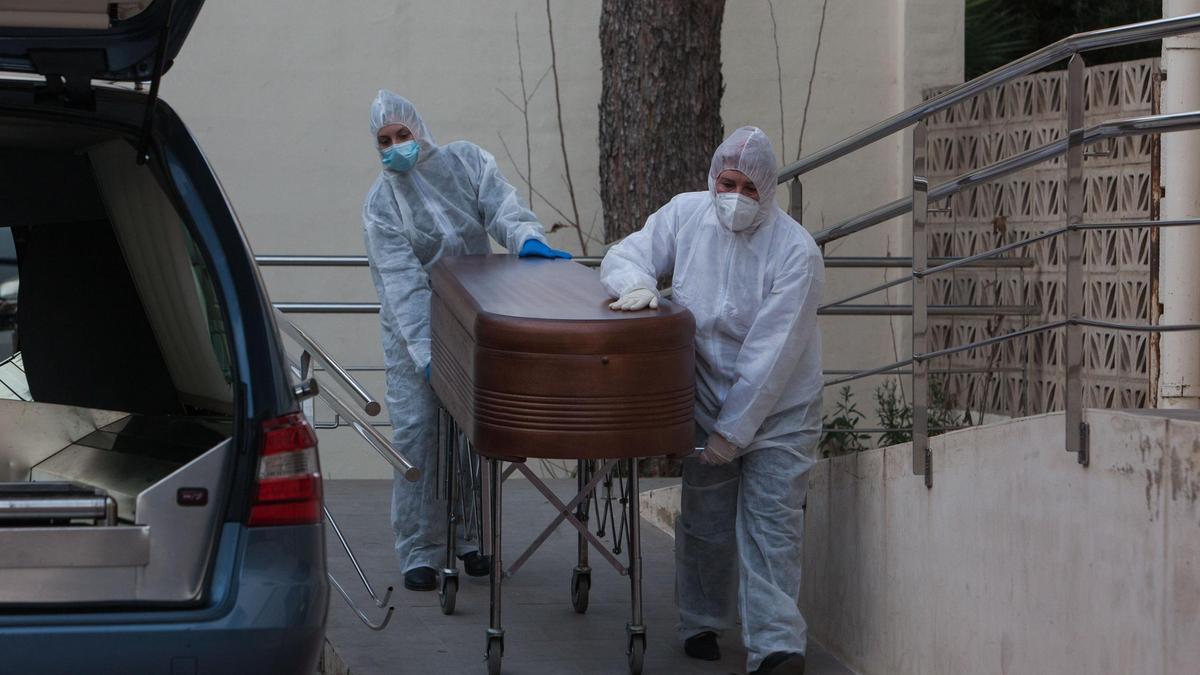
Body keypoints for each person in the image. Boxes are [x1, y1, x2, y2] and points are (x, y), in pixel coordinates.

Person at [600, 126, 823, 675]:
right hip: (704, 397)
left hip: (781, 413)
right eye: (729, 182)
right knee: (704, 521)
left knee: (773, 527)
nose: (737, 196)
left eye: (750, 187)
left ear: (768, 190)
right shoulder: (686, 214)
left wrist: (733, 433)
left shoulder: (795, 251)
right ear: (712, 177)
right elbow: (626, 253)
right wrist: (639, 286)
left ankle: (776, 647)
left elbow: (772, 355)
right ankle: (699, 622)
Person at [362, 90, 571, 592]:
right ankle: (419, 550)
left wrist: (526, 239)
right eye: (385, 141)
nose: (396, 147)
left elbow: (499, 204)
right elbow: (403, 286)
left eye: (402, 135)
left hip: (472, 315)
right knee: (418, 433)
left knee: (472, 434)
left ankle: (472, 540)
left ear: (420, 129)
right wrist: (428, 355)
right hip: (415, 329)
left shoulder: (465, 161)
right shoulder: (380, 205)